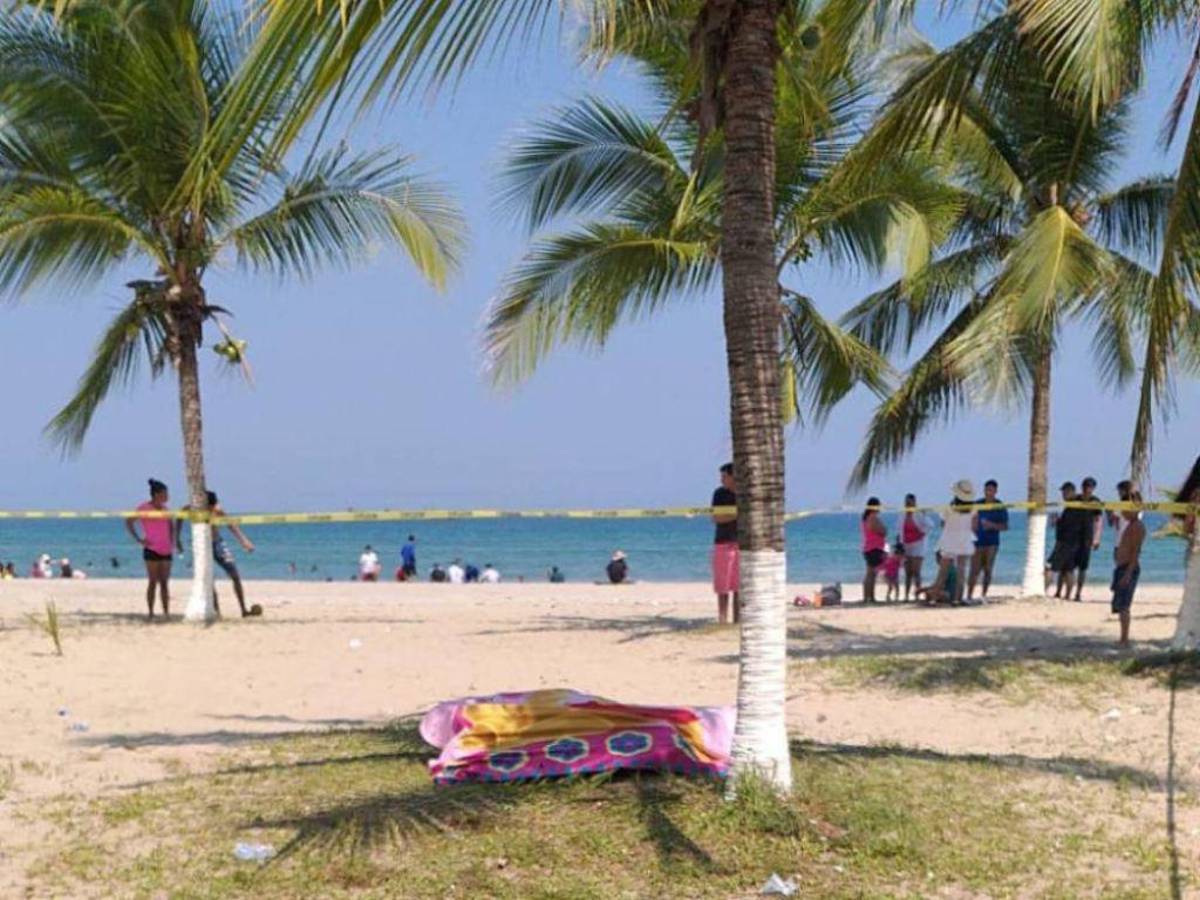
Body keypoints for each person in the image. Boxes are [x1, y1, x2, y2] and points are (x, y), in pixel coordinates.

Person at [181, 491, 258, 617]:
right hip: (201, 545)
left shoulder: (218, 510)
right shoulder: (192, 509)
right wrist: (177, 536)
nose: (213, 509)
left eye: (214, 506)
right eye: (210, 507)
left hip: (217, 543)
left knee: (235, 575)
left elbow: (231, 524)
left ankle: (243, 609)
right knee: (209, 580)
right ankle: (217, 612)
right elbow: (179, 516)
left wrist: (244, 541)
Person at [125, 479, 175, 620]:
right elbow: (129, 522)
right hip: (151, 549)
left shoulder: (166, 510)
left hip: (166, 550)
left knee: (164, 583)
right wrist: (139, 539)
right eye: (165, 493)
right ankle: (151, 613)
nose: (167, 496)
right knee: (153, 581)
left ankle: (166, 613)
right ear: (157, 494)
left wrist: (173, 542)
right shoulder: (144, 508)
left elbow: (171, 526)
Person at [1111, 492, 1146, 648]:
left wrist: (1128, 573)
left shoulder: (1137, 527)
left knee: (1124, 606)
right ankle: (1122, 637)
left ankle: (1124, 639)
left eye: (1125, 509)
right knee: (1119, 605)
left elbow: (1135, 552)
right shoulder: (1130, 525)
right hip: (1122, 567)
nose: (1123, 512)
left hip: (1128, 568)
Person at [935, 480, 977, 606]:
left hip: (949, 540)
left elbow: (942, 524)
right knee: (961, 572)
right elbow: (974, 526)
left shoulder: (948, 508)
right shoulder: (973, 509)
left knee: (943, 572)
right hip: (964, 540)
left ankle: (934, 598)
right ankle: (957, 599)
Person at [1048, 482, 1092, 600]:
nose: (1063, 494)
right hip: (1070, 541)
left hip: (1070, 542)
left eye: (1065, 492)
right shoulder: (1070, 506)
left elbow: (1074, 524)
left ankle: (1065, 594)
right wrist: (1058, 522)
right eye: (1063, 492)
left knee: (1054, 567)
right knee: (1067, 569)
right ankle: (1062, 593)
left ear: (1071, 492)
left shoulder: (1078, 503)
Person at [968, 479, 1009, 600]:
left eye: (991, 490)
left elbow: (1005, 526)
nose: (988, 492)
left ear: (995, 491)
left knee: (988, 569)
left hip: (992, 542)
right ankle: (969, 595)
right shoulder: (978, 504)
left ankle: (984, 594)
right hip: (977, 541)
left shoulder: (999, 506)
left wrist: (992, 525)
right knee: (974, 569)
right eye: (986, 490)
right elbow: (969, 519)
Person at [710, 462, 740, 624]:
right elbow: (716, 518)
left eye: (724, 476)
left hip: (741, 543)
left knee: (739, 586)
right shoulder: (719, 494)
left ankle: (737, 619)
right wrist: (736, 515)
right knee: (722, 585)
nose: (722, 480)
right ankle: (722, 619)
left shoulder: (745, 494)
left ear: (733, 477)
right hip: (722, 542)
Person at [899, 493, 937, 601]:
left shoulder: (919, 514)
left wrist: (923, 533)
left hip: (918, 546)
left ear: (914, 503)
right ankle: (906, 595)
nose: (908, 505)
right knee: (908, 573)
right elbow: (899, 530)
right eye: (906, 503)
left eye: (910, 503)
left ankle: (917, 594)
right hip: (906, 546)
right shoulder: (902, 515)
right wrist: (899, 545)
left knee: (916, 572)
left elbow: (931, 525)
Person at [860, 497, 888, 603]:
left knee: (870, 574)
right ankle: (870, 597)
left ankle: (868, 596)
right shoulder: (872, 517)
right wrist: (883, 530)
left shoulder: (866, 517)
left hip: (870, 547)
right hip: (874, 548)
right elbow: (879, 530)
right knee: (871, 574)